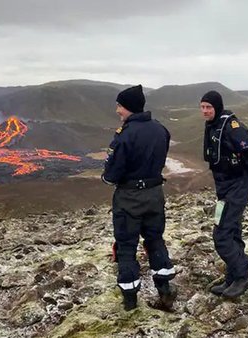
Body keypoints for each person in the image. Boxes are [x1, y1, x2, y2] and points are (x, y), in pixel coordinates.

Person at [101, 85, 176, 311]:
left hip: (129, 199)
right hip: (155, 195)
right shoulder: (160, 130)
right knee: (155, 240)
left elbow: (112, 174)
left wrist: (107, 177)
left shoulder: (124, 136)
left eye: (120, 106)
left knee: (126, 246)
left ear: (129, 107)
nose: (117, 110)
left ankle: (130, 302)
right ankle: (165, 289)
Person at [200, 90, 248, 299]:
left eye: (208, 107)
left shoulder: (232, 128)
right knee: (233, 229)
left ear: (217, 107)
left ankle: (243, 274)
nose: (205, 111)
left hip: (238, 184)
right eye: (202, 107)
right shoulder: (212, 126)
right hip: (224, 187)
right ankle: (232, 276)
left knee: (222, 234)